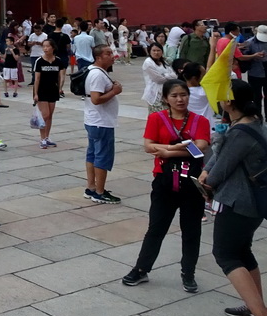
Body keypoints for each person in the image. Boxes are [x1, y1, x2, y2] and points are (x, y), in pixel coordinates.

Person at [121, 79, 211, 293]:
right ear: (165, 98)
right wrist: (181, 148)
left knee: (191, 230)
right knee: (156, 227)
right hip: (164, 181)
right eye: (174, 96)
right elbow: (148, 146)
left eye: (184, 94)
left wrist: (168, 152)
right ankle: (141, 269)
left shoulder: (200, 121)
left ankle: (188, 273)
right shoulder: (156, 118)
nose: (180, 99)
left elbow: (201, 148)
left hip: (192, 183)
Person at [199, 80, 267, 316]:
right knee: (242, 251)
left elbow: (222, 166)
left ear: (229, 101)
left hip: (240, 202)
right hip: (250, 201)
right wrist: (206, 170)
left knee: (225, 254)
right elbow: (220, 161)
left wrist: (207, 179)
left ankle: (261, 315)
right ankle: (255, 305)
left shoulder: (240, 132)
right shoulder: (250, 123)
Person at [84, 45, 123, 204]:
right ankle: (99, 192)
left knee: (92, 154)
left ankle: (91, 187)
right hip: (101, 122)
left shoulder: (93, 70)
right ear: (98, 57)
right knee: (102, 156)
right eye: (108, 53)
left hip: (94, 120)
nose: (112, 56)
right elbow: (96, 99)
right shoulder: (97, 75)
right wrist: (114, 91)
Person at [33, 39, 66, 149]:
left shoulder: (58, 61)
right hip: (42, 90)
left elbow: (61, 75)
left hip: (53, 90)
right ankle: (42, 138)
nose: (45, 48)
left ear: (53, 48)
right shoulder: (40, 61)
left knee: (50, 115)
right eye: (44, 46)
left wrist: (60, 88)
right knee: (45, 115)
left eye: (47, 46)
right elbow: (37, 79)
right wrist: (35, 93)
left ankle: (47, 137)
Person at [142, 43, 174, 113]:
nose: (156, 53)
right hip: (155, 93)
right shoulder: (148, 62)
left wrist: (164, 75)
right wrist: (168, 75)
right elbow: (158, 79)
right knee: (157, 116)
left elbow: (174, 75)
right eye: (154, 50)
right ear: (150, 51)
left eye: (158, 50)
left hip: (166, 92)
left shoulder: (164, 61)